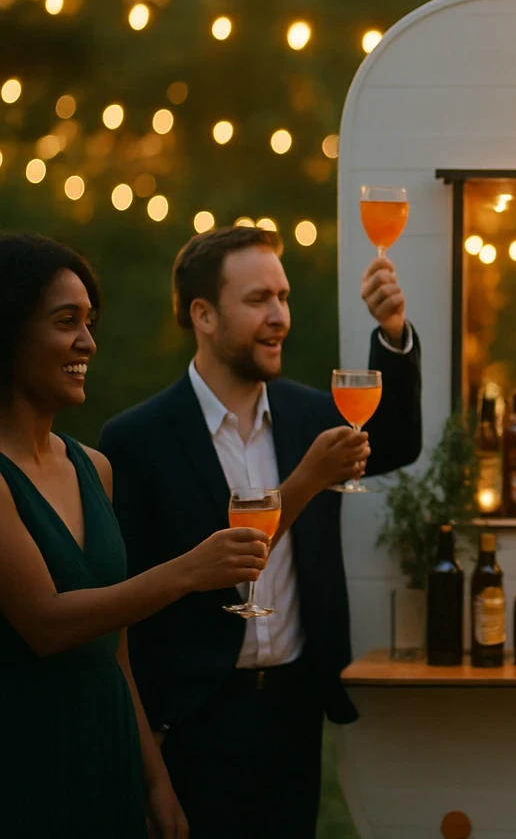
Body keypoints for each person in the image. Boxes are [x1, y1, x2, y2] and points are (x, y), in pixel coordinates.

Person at [100, 226, 424, 838]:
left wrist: (393, 333)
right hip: (194, 720)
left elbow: (400, 440)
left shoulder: (311, 414)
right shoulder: (134, 441)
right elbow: (132, 609)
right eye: (258, 301)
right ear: (203, 314)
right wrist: (150, 759)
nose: (280, 317)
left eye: (284, 296)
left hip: (295, 709)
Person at [0, 232, 270, 838]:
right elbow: (47, 623)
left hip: (110, 753)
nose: (87, 342)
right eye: (65, 321)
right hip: (26, 761)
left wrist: (155, 782)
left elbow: (115, 650)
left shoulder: (94, 468)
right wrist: (188, 572)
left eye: (90, 321)